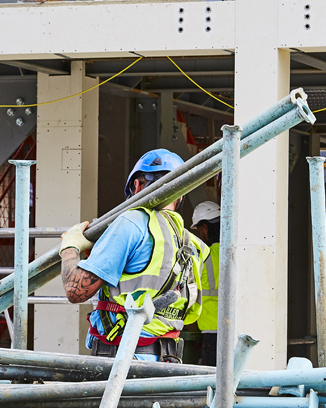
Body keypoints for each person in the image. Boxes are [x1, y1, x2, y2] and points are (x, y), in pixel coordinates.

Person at [59, 149, 210, 363]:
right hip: (167, 360)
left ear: (137, 185)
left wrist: (70, 246)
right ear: (181, 194)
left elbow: (76, 291)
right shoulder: (193, 244)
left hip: (124, 358)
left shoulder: (132, 221)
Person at [190, 201, 220, 366]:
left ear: (206, 228)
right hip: (236, 328)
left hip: (210, 331)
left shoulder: (204, 256)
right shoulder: (236, 252)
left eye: (199, 230)